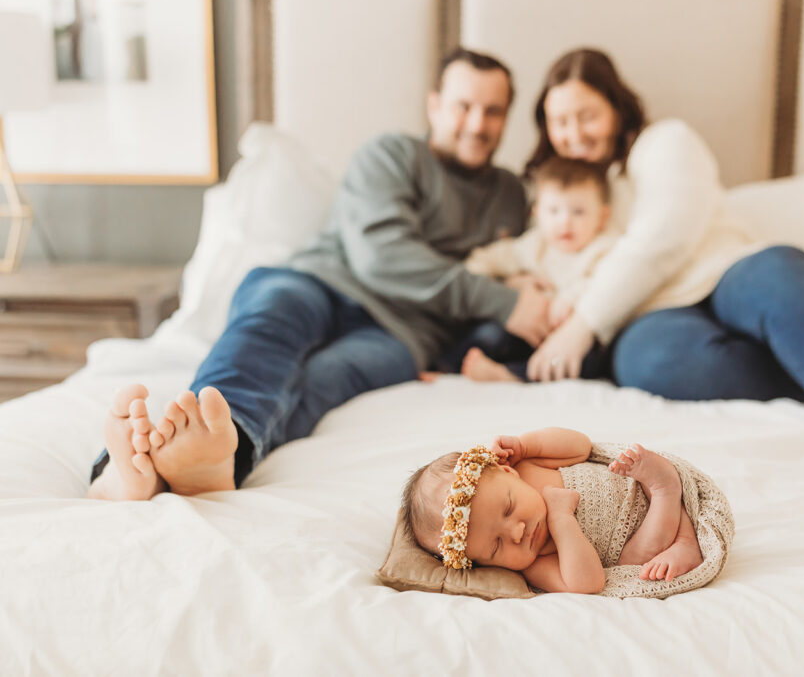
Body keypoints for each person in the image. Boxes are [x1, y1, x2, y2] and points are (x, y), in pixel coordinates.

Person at [86, 47, 554, 501]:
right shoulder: (391, 156)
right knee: (265, 338)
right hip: (318, 283)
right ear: (434, 105)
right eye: (463, 106)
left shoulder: (512, 196)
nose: (476, 124)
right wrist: (502, 301)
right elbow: (382, 256)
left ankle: (210, 463)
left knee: (323, 382)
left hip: (399, 334)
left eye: (492, 111)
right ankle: (131, 467)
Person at [520, 47, 804, 439]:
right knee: (645, 362)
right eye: (560, 122)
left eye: (587, 116)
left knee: (779, 279)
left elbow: (663, 238)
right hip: (656, 314)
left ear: (616, 108)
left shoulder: (664, 142)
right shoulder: (559, 196)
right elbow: (531, 254)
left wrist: (583, 324)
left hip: (727, 274)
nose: (573, 134)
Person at [402, 428, 704, 593]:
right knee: (636, 560)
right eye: (496, 546)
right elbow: (588, 583)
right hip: (642, 534)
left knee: (642, 472)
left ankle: (672, 504)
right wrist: (561, 519)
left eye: (508, 507)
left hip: (633, 480)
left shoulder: (526, 466)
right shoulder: (533, 562)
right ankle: (681, 533)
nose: (517, 532)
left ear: (507, 472)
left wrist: (526, 445)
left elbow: (580, 447)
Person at [448, 156, 618, 382]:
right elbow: (480, 262)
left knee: (587, 363)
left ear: (602, 217)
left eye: (578, 212)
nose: (565, 222)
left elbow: (608, 285)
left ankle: (510, 375)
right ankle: (444, 367)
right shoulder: (533, 245)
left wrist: (571, 297)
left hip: (574, 341)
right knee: (489, 334)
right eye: (554, 211)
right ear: (537, 214)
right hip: (528, 333)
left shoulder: (604, 249)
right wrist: (513, 280)